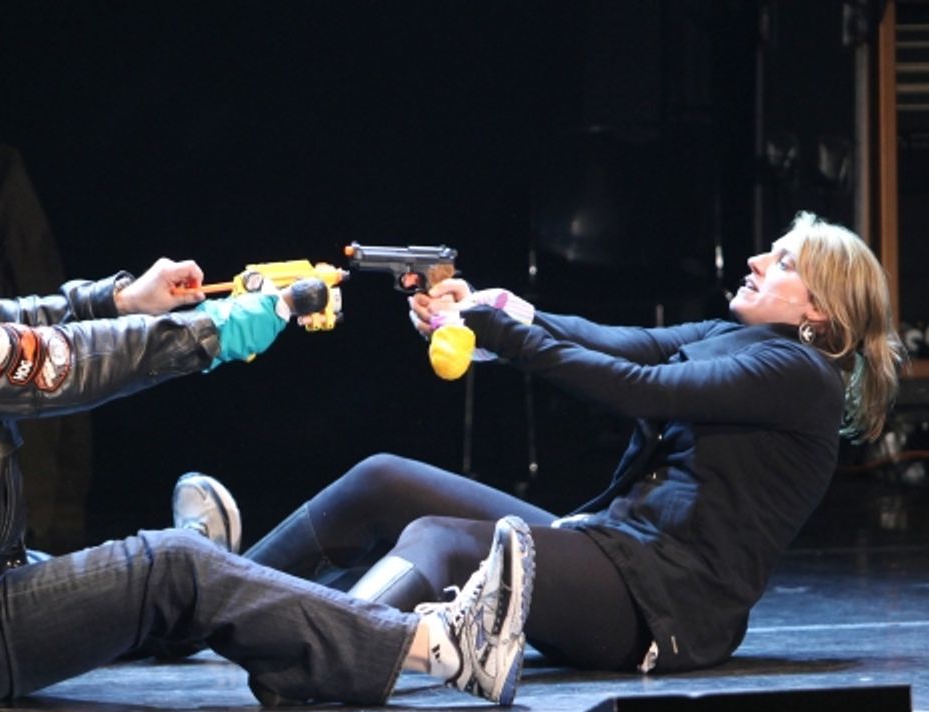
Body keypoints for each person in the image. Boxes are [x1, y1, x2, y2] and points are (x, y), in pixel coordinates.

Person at [0, 154, 534, 707]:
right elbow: (59, 364)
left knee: (173, 578)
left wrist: (122, 300)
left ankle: (216, 568)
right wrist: (219, 330)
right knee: (170, 567)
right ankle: (438, 649)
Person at [230, 211, 905, 674]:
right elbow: (614, 341)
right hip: (613, 554)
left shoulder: (799, 374)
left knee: (443, 540)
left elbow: (640, 388)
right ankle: (218, 595)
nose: (757, 259)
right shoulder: (733, 337)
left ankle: (323, 654)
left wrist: (502, 335)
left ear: (819, 310)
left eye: (782, 261)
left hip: (660, 605)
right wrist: (489, 308)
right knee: (384, 479)